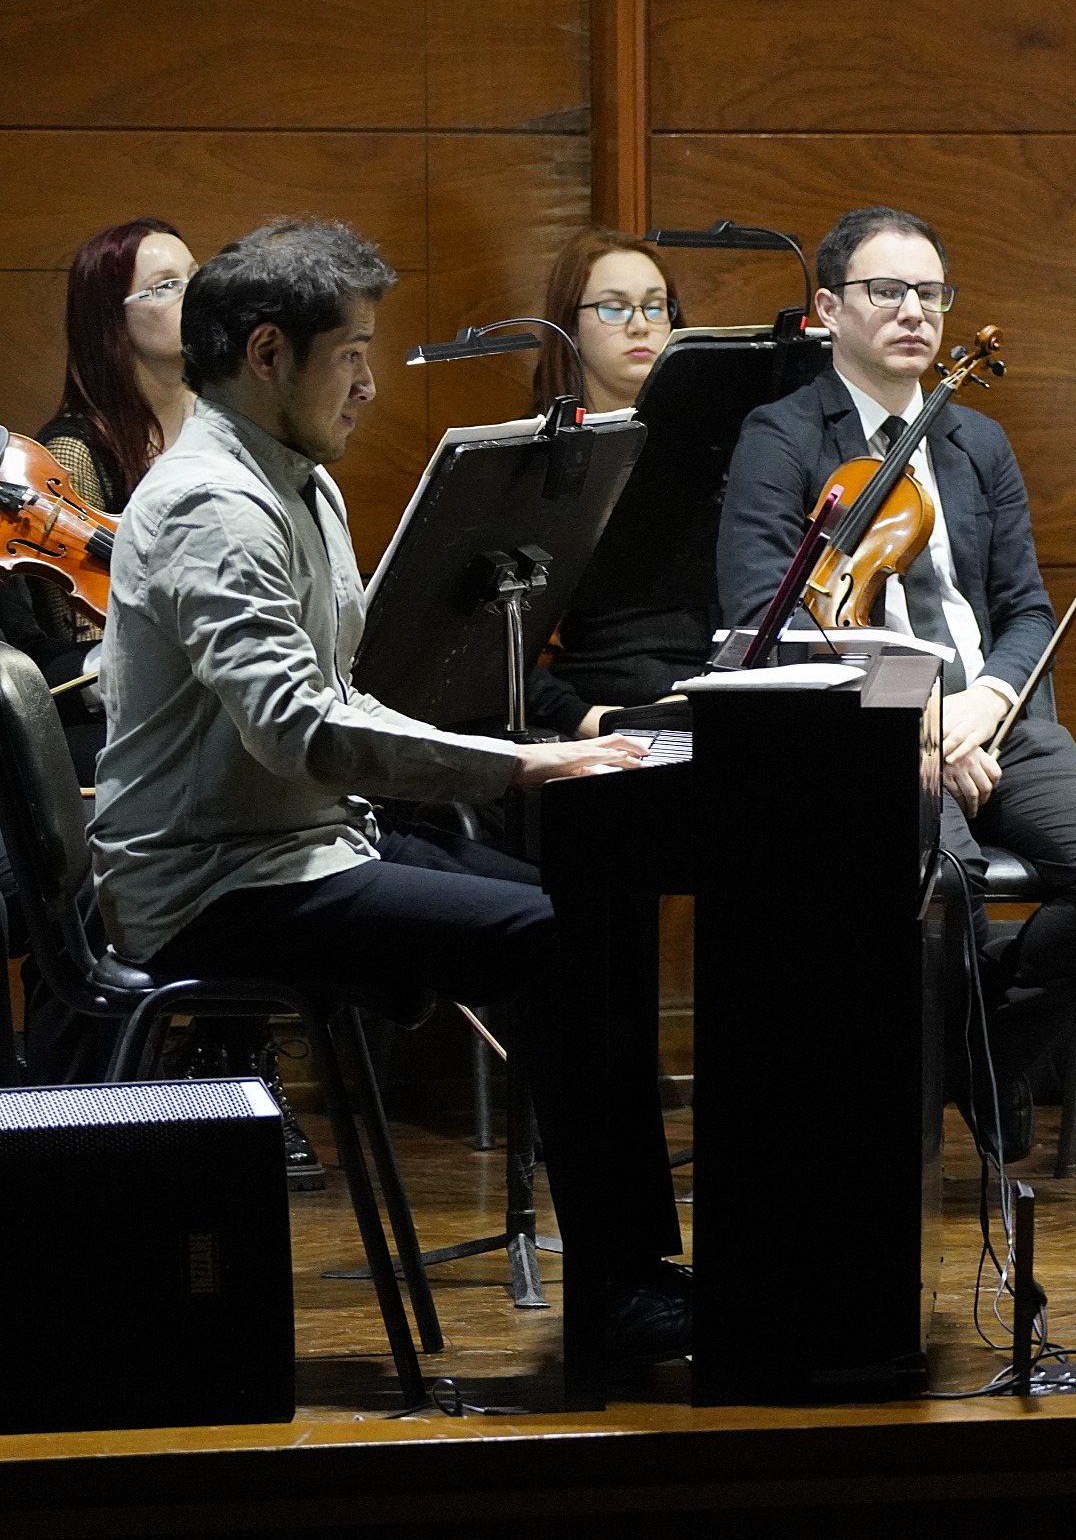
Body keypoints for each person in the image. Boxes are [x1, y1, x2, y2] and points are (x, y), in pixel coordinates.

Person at [85, 218, 689, 1361]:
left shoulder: (294, 482)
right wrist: (518, 759)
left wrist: (514, 759)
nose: (369, 380)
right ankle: (621, 1290)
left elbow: (336, 699)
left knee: (588, 914)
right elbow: (302, 730)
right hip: (214, 882)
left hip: (298, 846)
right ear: (268, 355)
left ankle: (637, 1272)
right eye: (351, 352)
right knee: (559, 939)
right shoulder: (215, 506)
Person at [716, 205, 1076, 1165]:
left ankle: (974, 1055)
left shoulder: (977, 443)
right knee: (951, 878)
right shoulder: (781, 435)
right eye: (887, 291)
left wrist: (985, 704)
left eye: (931, 292)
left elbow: (1026, 613)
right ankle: (946, 1091)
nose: (915, 312)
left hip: (995, 718)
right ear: (827, 309)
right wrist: (919, 720)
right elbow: (767, 612)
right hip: (870, 727)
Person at [5, 220, 199, 1089]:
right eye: (161, 285)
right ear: (108, 319)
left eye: (195, 277)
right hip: (104, 709)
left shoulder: (228, 430)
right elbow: (64, 651)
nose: (188, 296)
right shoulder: (75, 457)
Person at [519, 229, 708, 737]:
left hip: (715, 703)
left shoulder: (716, 449)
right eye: (614, 308)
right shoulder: (534, 462)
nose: (640, 326)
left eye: (654, 307)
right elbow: (483, 644)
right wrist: (584, 719)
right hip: (601, 717)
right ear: (570, 326)